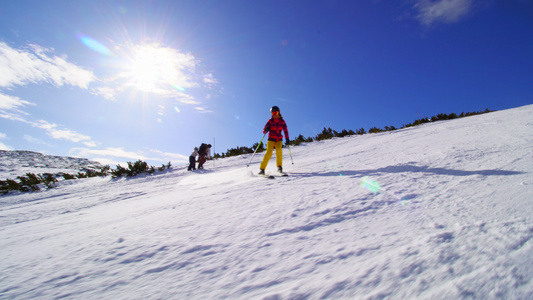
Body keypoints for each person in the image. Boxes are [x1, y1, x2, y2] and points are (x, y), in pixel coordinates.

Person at [259, 106, 289, 175]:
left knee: (279, 150)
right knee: (269, 152)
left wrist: (287, 138)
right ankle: (262, 169)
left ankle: (279, 167)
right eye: (273, 113)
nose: (275, 114)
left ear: (279, 112)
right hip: (271, 139)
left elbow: (285, 131)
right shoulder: (270, 121)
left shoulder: (282, 121)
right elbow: (264, 130)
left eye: (276, 112)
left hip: (279, 139)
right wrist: (266, 129)